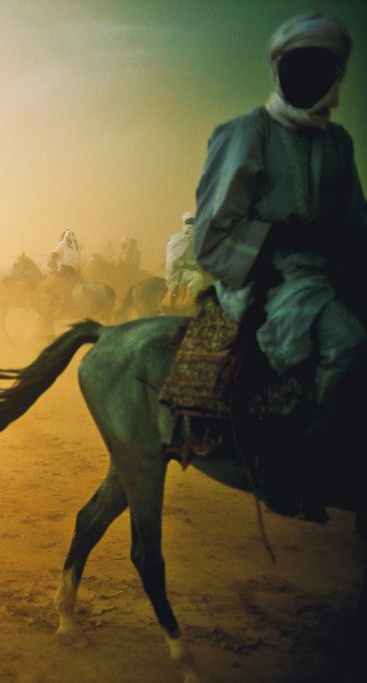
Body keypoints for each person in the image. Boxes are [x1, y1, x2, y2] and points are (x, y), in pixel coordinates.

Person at [193, 12, 366, 517]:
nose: (305, 78)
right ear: (278, 71)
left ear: (336, 76)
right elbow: (210, 235)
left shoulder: (340, 144)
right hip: (262, 271)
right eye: (295, 67)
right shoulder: (246, 133)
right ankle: (301, 457)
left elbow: (353, 220)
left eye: (319, 68)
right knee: (348, 341)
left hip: (327, 267)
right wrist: (278, 238)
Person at [164, 212, 209, 309]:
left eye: (193, 222)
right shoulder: (177, 238)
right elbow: (172, 259)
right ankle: (189, 303)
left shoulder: (197, 239)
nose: (191, 225)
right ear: (184, 222)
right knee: (198, 278)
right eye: (189, 222)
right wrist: (185, 264)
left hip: (193, 268)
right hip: (180, 270)